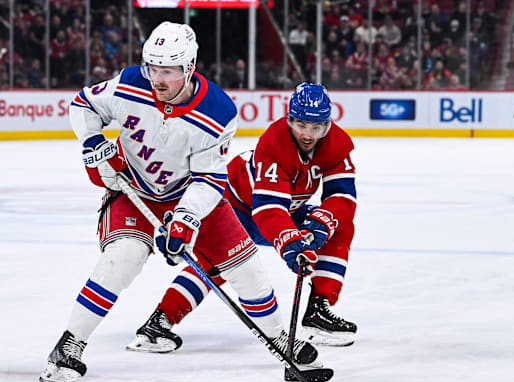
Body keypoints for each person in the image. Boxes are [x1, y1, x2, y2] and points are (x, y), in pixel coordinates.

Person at [39, 21, 324, 382]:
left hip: (192, 194)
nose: (158, 78)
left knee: (246, 267)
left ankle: (280, 340)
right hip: (134, 191)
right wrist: (92, 138)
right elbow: (83, 104)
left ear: (189, 67)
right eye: (153, 68)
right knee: (120, 261)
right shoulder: (129, 83)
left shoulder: (217, 110)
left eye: (169, 71)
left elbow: (209, 178)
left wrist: (185, 218)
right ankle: (69, 345)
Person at [127, 83, 358, 354]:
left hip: (286, 211)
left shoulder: (337, 145)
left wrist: (323, 220)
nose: (307, 134)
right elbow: (268, 208)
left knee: (338, 227)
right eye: (300, 124)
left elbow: (343, 197)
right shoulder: (274, 143)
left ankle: (319, 309)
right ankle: (159, 323)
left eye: (316, 127)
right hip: (233, 206)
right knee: (217, 263)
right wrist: (290, 243)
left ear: (328, 125)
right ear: (289, 119)